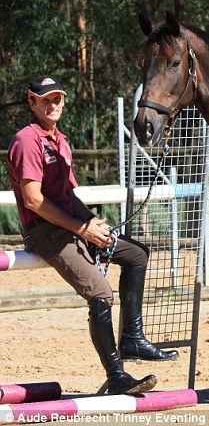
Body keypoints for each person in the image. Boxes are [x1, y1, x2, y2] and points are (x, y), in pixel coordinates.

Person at [6, 75, 178, 395]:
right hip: (44, 231)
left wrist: (92, 222)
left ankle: (132, 339)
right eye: (45, 100)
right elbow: (33, 200)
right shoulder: (26, 141)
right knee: (100, 293)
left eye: (57, 98)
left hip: (71, 225)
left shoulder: (60, 140)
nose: (53, 104)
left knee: (136, 254)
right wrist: (82, 228)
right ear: (31, 102)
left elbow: (68, 196)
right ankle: (116, 377)